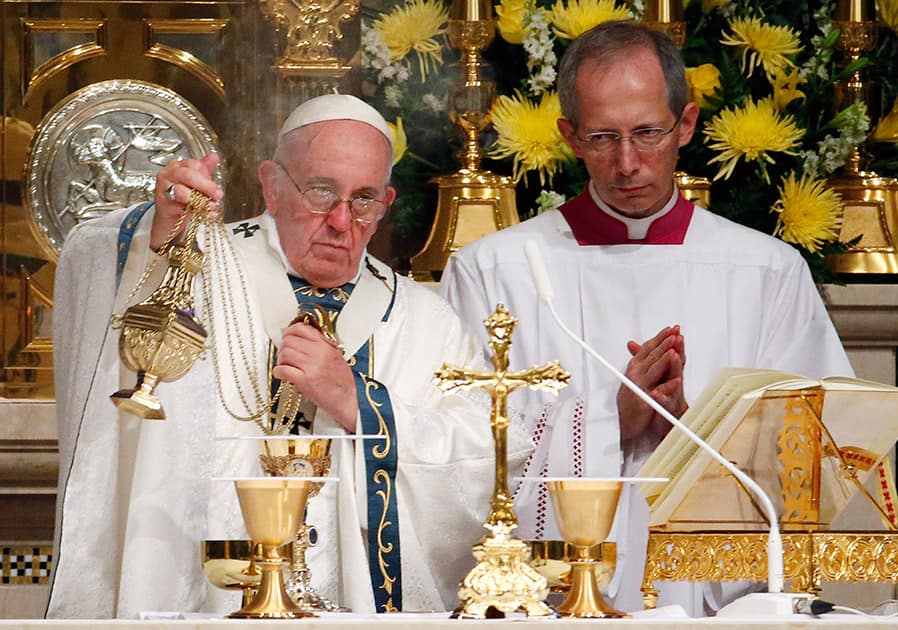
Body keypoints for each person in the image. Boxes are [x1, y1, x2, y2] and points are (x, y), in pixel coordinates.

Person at [49, 94, 529, 618]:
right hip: (207, 603)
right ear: (272, 186)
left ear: (387, 202)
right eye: (321, 192)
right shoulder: (200, 271)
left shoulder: (424, 320)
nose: (343, 221)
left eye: (365, 199)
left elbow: (491, 456)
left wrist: (360, 405)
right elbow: (89, 265)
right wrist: (157, 233)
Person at [440, 20, 853, 615]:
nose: (627, 162)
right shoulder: (494, 270)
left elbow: (818, 452)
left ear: (686, 124)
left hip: (717, 597)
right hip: (549, 598)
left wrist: (695, 431)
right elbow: (462, 453)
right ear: (570, 136)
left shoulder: (765, 270)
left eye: (647, 133)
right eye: (603, 138)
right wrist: (612, 419)